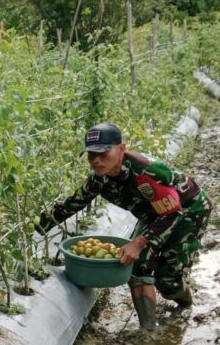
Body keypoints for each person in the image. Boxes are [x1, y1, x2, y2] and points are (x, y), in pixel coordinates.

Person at [37, 122, 213, 331]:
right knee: (138, 267)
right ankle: (148, 331)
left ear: (121, 149)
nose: (96, 160)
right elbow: (71, 204)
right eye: (91, 154)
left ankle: (185, 305)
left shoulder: (146, 173)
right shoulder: (99, 180)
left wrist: (138, 243)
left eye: (103, 153)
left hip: (189, 211)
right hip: (154, 214)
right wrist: (37, 228)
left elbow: (172, 213)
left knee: (167, 278)